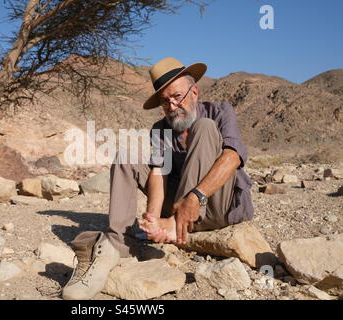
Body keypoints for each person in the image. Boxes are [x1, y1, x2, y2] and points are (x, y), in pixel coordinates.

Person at [62, 57, 254, 300]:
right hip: (176, 208)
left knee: (204, 127)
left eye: (177, 97)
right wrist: (152, 218)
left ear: (194, 92)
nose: (172, 106)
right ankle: (115, 244)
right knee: (126, 156)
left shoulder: (220, 112)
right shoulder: (161, 128)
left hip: (217, 206)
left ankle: (176, 223)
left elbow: (232, 158)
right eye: (165, 101)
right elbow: (158, 173)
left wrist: (195, 198)